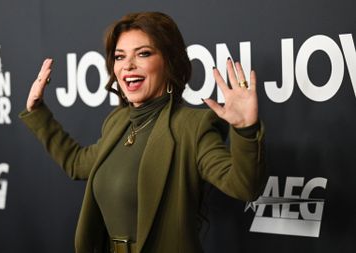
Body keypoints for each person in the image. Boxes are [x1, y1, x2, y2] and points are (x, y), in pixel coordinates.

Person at [20, 12, 266, 253]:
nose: (128, 65)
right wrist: (37, 111)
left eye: (143, 54)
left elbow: (243, 187)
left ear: (169, 62)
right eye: (119, 57)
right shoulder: (117, 122)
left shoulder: (192, 126)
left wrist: (245, 130)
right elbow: (77, 163)